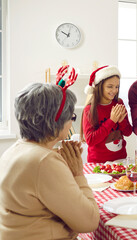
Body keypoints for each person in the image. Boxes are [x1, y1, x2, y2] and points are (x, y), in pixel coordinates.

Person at [0, 67, 99, 239]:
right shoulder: (44, 161)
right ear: (56, 121)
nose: (71, 123)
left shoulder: (15, 150)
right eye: (72, 117)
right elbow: (89, 222)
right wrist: (77, 173)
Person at [81, 65, 132, 163]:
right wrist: (111, 121)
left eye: (117, 87)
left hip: (120, 160)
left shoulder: (119, 103)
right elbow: (90, 140)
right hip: (98, 163)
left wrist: (121, 122)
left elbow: (128, 132)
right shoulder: (90, 109)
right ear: (99, 87)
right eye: (110, 86)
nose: (114, 90)